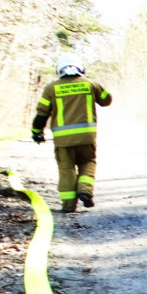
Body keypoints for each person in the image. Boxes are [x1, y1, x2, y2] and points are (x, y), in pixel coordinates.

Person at [31, 54, 113, 213]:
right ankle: (85, 190)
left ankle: (68, 206)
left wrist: (36, 132)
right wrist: (95, 87)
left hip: (63, 140)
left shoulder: (51, 88)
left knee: (66, 170)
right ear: (81, 68)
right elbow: (106, 100)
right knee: (88, 162)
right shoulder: (90, 84)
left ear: (59, 70)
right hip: (86, 137)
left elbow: (42, 113)